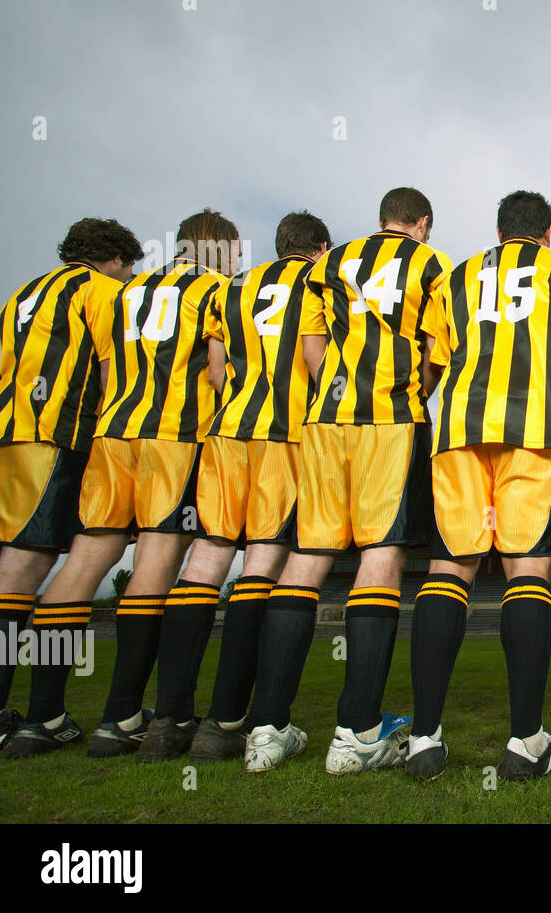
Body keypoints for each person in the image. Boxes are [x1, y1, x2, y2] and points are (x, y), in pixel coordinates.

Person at [8, 209, 237, 759]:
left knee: (83, 564)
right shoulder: (216, 291)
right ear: (222, 251)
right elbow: (216, 371)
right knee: (157, 564)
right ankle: (120, 718)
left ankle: (41, 717)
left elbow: (108, 372)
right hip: (172, 436)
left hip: (113, 437)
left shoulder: (126, 292)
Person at [241, 188, 448, 774]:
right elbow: (435, 351)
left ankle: (267, 729)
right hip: (389, 418)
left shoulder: (330, 263)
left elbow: (310, 346)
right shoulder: (429, 262)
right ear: (422, 223)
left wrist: (337, 389)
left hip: (325, 420)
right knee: (379, 557)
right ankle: (357, 731)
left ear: (381, 218)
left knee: (305, 557)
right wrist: (409, 390)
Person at [129, 211, 332, 762]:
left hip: (225, 434)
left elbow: (216, 374)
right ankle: (224, 723)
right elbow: (319, 369)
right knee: (263, 563)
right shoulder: (319, 281)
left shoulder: (236, 288)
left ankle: (168, 719)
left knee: (204, 564)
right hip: (284, 434)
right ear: (319, 248)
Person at [408, 190, 551, 782]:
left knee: (449, 571)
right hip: (532, 432)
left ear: (497, 229)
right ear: (546, 233)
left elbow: (434, 362)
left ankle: (423, 739)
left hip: (460, 429)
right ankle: (524, 743)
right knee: (526, 571)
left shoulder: (458, 275)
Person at [0, 219, 142, 751]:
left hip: (7, 430)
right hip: (60, 433)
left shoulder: (21, 294)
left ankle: (30, 713)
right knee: (28, 563)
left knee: (15, 558)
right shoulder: (104, 293)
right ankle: (36, 716)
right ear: (118, 259)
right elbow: (110, 373)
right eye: (131, 267)